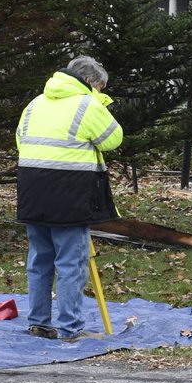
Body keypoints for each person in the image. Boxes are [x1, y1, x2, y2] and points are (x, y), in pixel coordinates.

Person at [15, 56, 123, 341]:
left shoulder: (35, 103)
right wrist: (99, 104)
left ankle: (38, 323)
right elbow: (114, 139)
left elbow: (20, 140)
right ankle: (71, 328)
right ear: (89, 82)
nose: (99, 92)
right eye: (99, 87)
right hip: (69, 195)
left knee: (39, 260)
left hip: (31, 192)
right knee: (71, 264)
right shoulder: (87, 105)